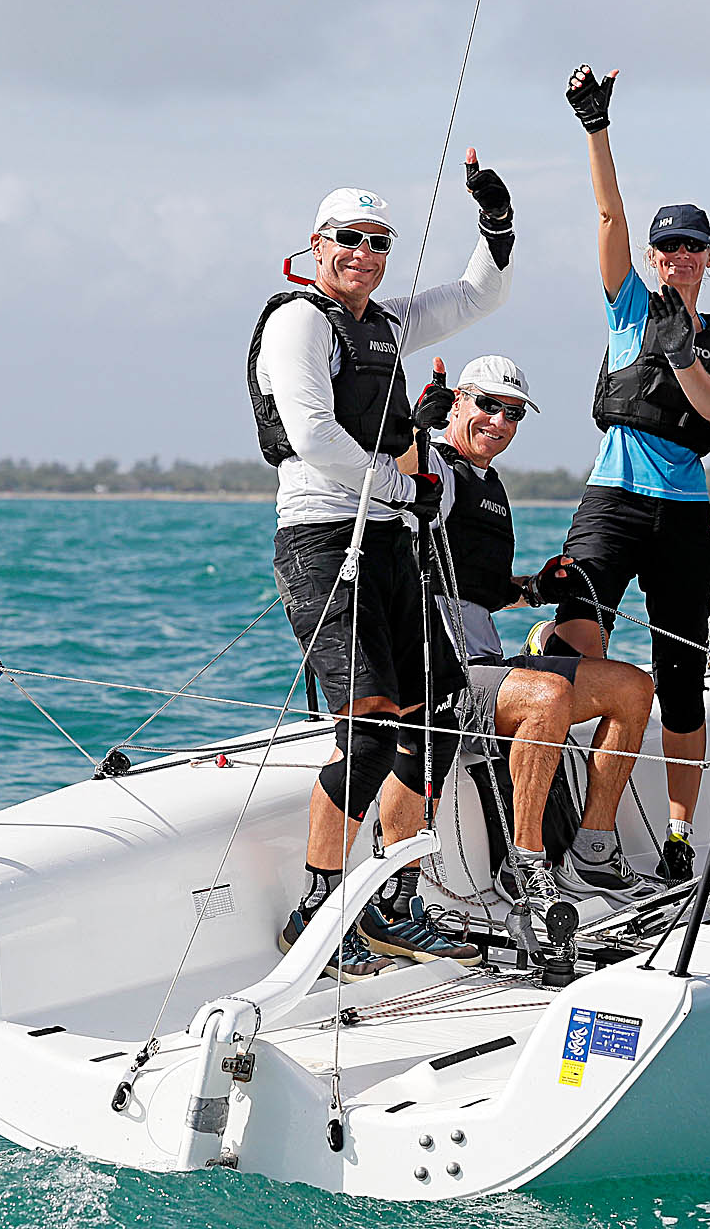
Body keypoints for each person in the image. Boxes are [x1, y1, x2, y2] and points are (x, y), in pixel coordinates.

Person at [248, 156, 514, 980]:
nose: (366, 253)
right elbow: (314, 436)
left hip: (393, 539)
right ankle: (317, 911)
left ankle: (397, 903)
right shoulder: (301, 323)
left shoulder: (385, 324)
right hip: (327, 541)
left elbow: (477, 297)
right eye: (352, 240)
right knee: (366, 733)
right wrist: (408, 481)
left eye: (380, 242)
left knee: (433, 718)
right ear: (318, 246)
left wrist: (495, 221)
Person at [536, 64, 710, 886]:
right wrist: (597, 126)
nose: (679, 258)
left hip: (685, 519)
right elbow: (607, 212)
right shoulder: (628, 304)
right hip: (613, 502)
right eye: (668, 247)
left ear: (706, 260)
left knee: (683, 682)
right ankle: (565, 807)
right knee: (577, 646)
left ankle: (678, 839)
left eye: (692, 248)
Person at [409, 355, 662, 914]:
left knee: (632, 688)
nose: (500, 421)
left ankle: (593, 852)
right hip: (440, 674)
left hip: (487, 662)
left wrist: (536, 588)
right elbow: (396, 478)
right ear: (458, 401)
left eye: (514, 413)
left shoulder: (490, 486)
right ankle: (524, 865)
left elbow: (483, 591)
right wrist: (415, 428)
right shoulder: (436, 470)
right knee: (547, 697)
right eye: (488, 405)